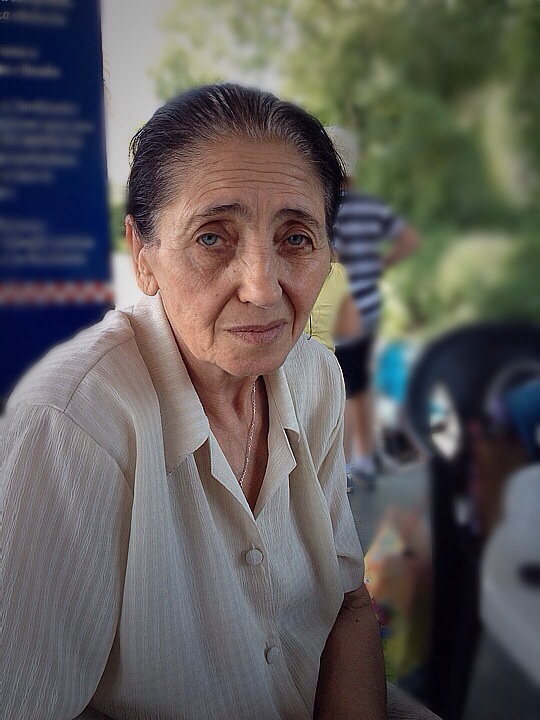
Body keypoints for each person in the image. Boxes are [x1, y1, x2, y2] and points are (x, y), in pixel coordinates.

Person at [3, 85, 439, 720]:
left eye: (296, 238)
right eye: (212, 238)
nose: (262, 288)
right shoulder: (77, 423)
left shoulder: (315, 376)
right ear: (143, 255)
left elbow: (347, 604)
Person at [325, 126, 421, 489]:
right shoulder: (371, 205)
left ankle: (343, 468)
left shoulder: (325, 207)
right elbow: (410, 240)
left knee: (340, 386)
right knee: (361, 385)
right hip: (369, 304)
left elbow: (323, 253)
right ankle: (363, 461)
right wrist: (379, 265)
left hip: (335, 306)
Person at [304, 251, 361, 353]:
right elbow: (350, 327)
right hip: (324, 355)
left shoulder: (280, 272)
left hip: (284, 357)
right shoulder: (340, 273)